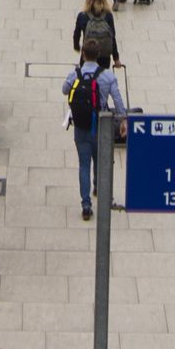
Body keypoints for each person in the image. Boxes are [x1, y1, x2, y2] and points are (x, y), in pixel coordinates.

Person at [62, 37, 127, 221]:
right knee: (101, 160)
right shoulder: (108, 76)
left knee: (84, 164)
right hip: (101, 125)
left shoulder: (76, 74)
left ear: (83, 54)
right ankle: (98, 186)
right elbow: (119, 102)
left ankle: (86, 204)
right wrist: (123, 120)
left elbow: (64, 90)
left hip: (81, 127)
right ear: (99, 55)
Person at [72, 0, 119, 67]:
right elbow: (112, 37)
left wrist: (77, 47)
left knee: (87, 78)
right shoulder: (108, 15)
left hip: (87, 55)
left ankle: (92, 80)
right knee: (102, 78)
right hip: (105, 57)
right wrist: (116, 58)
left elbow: (76, 35)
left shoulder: (82, 16)